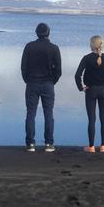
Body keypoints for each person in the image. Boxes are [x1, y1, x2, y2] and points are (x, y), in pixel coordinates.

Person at [75, 35, 104, 153]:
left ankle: (91, 147)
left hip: (91, 91)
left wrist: (81, 87)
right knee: (103, 118)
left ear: (91, 45)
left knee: (92, 119)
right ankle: (103, 146)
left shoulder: (86, 58)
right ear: (101, 45)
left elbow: (77, 75)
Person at [21, 22, 61, 152]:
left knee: (30, 114)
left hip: (32, 83)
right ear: (48, 33)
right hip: (48, 84)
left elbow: (23, 67)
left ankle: (30, 144)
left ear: (36, 33)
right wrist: (52, 81)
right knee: (48, 114)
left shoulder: (29, 47)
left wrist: (27, 80)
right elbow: (59, 70)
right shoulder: (54, 48)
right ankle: (49, 144)